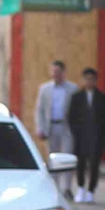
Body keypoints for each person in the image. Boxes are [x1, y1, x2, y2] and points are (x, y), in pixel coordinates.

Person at [33, 59, 79, 200]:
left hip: (66, 127)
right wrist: (40, 127)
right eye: (53, 71)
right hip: (51, 127)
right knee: (52, 158)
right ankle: (54, 187)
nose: (55, 74)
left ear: (63, 73)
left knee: (67, 157)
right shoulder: (45, 89)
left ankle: (67, 188)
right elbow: (39, 110)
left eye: (58, 72)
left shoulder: (72, 89)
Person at [70, 66, 105, 204]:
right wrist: (76, 131)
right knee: (81, 163)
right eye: (87, 79)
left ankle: (91, 190)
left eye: (92, 79)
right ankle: (81, 188)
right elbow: (71, 117)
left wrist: (102, 133)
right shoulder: (77, 97)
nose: (89, 82)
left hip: (96, 136)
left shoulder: (102, 98)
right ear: (83, 80)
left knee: (94, 164)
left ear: (95, 81)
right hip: (81, 136)